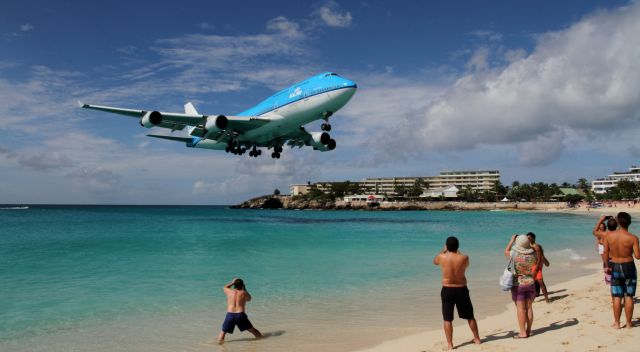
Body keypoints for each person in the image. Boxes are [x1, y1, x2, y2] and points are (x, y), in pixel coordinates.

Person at [433, 236, 481, 350]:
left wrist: (443, 250)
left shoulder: (441, 256)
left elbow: (435, 262)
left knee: (447, 319)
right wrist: (457, 251)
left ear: (447, 246)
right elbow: (466, 264)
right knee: (470, 316)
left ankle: (450, 344)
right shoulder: (464, 257)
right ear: (458, 247)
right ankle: (477, 339)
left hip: (447, 289)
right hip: (461, 289)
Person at [603, 212, 640, 329]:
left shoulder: (609, 236)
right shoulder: (633, 238)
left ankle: (617, 323)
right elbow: (638, 256)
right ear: (629, 223)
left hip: (615, 265)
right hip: (628, 265)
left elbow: (605, 253)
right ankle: (629, 324)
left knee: (617, 296)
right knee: (629, 296)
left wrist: (607, 266)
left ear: (618, 222)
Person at [505, 234, 538, 338]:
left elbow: (505, 251)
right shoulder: (533, 254)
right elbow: (534, 250)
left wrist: (511, 240)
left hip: (517, 284)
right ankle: (528, 330)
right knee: (529, 308)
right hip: (530, 282)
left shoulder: (514, 254)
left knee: (520, 309)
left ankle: (522, 333)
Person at [217, 278, 263, 344]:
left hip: (230, 315)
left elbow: (224, 287)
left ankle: (220, 347)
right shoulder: (244, 293)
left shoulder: (229, 291)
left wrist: (232, 283)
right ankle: (262, 342)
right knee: (253, 330)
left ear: (234, 285)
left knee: (223, 332)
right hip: (240, 315)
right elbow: (249, 299)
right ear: (242, 285)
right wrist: (244, 289)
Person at [527, 232, 550, 303]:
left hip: (536, 266)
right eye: (527, 238)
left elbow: (539, 257)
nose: (528, 239)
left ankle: (547, 300)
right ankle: (532, 299)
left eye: (529, 238)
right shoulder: (529, 246)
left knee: (540, 282)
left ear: (533, 238)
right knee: (532, 283)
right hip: (531, 266)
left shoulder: (536, 246)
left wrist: (537, 267)